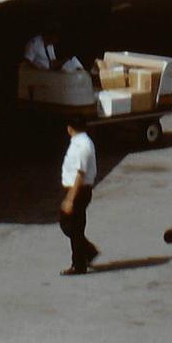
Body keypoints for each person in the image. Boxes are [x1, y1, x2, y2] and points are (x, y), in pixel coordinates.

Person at [58, 116, 99, 275]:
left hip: (78, 190)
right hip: (74, 189)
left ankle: (80, 263)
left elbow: (80, 174)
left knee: (73, 227)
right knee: (72, 226)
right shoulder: (77, 142)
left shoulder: (83, 145)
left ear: (70, 127)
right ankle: (87, 252)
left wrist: (70, 198)